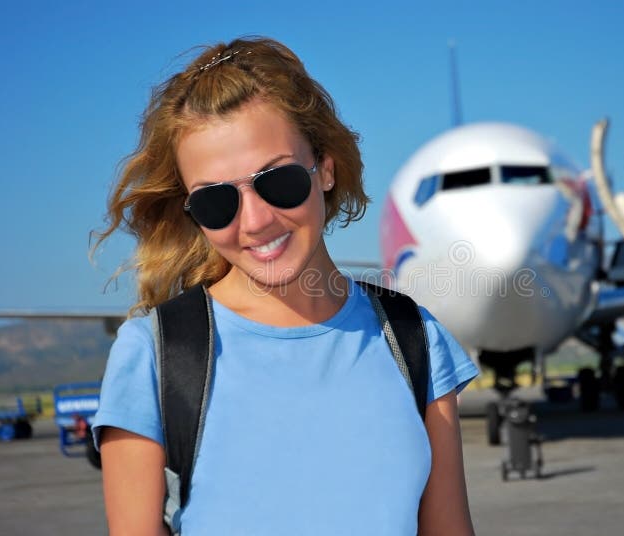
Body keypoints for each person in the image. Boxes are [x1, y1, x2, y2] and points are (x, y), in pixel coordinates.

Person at [90, 37, 478, 535]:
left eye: (278, 181)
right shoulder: (154, 354)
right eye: (216, 202)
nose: (254, 221)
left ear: (327, 170)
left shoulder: (415, 339)